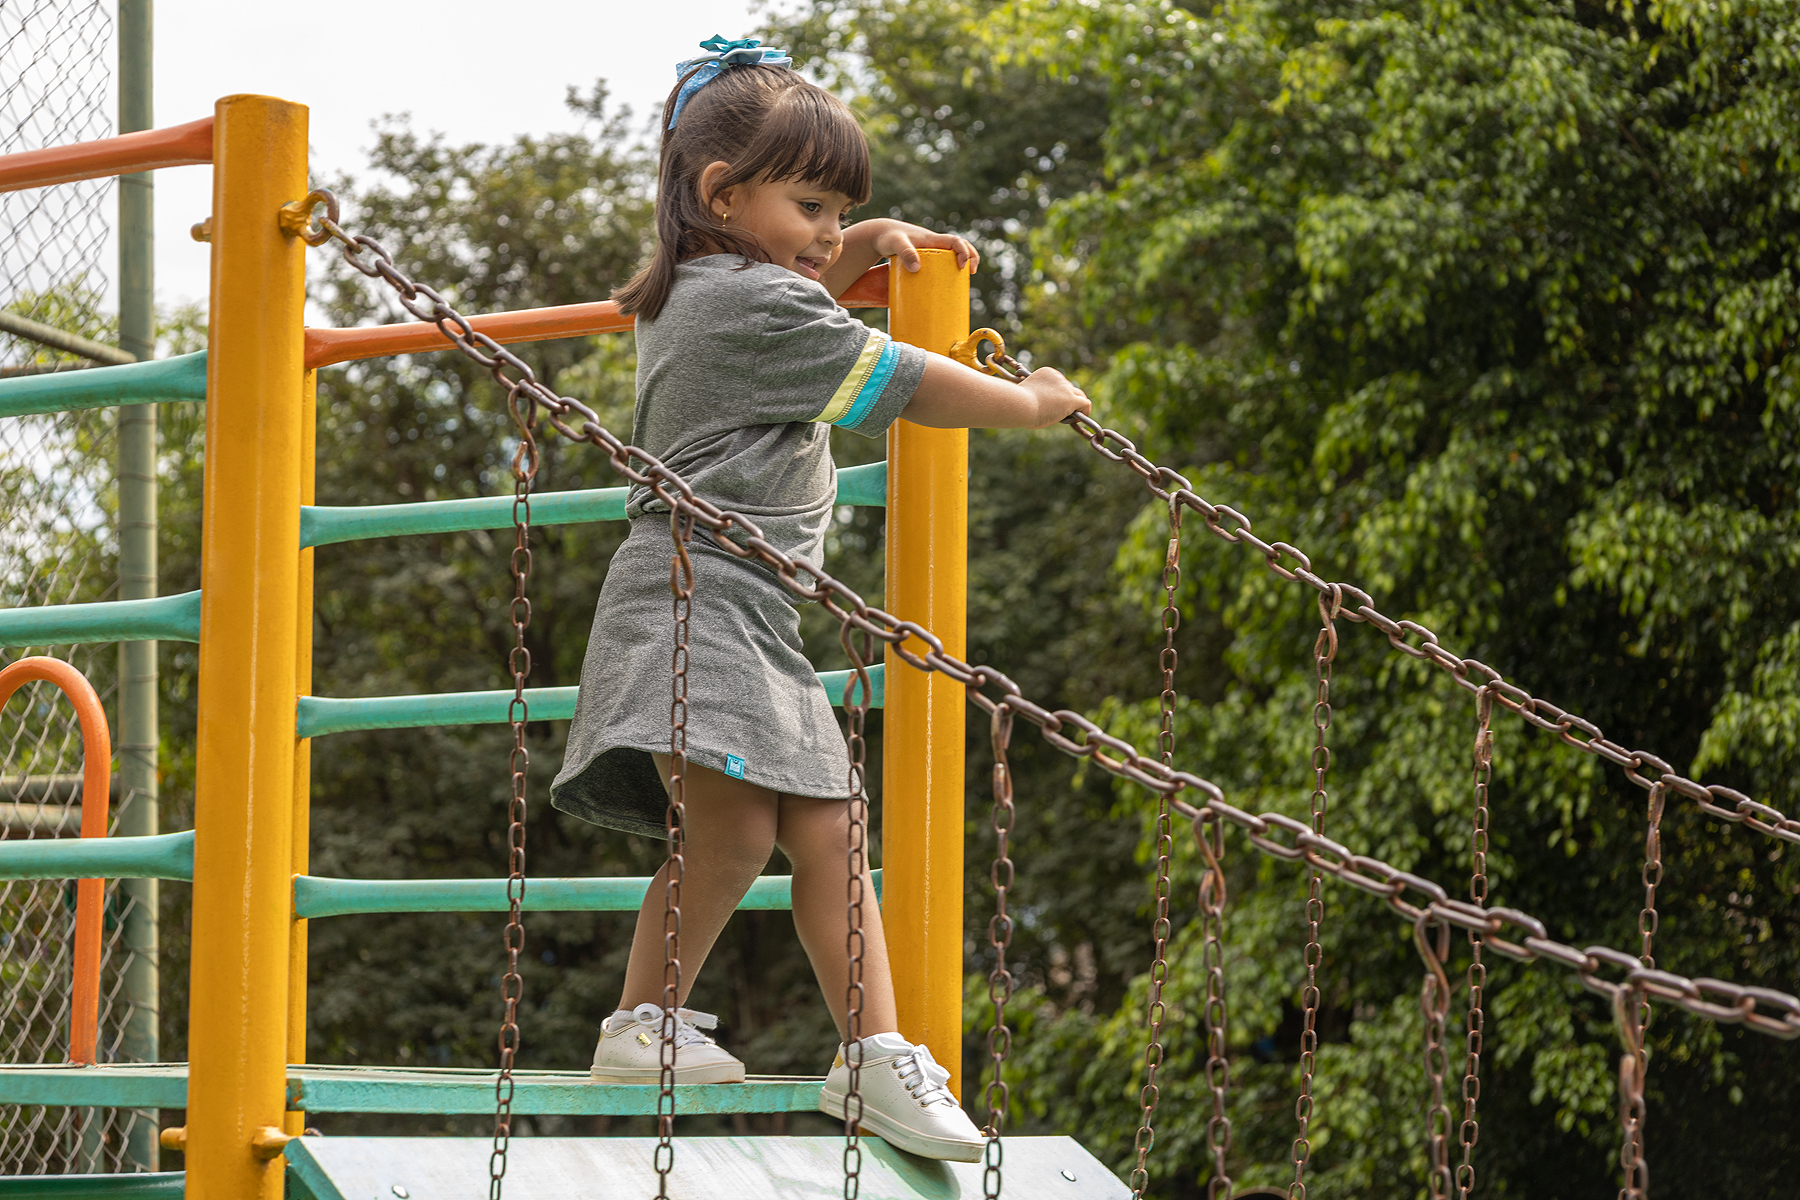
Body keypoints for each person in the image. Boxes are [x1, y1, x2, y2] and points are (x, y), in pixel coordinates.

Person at [550, 36, 1090, 1162]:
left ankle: (865, 1052)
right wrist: (1029, 404)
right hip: (701, 599)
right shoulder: (754, 312)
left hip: (728, 602)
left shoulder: (695, 293)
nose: (831, 233)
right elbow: (902, 380)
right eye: (812, 208)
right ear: (722, 195)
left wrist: (853, 249)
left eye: (841, 211)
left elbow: (791, 312)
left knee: (819, 825)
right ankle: (661, 1026)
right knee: (743, 830)